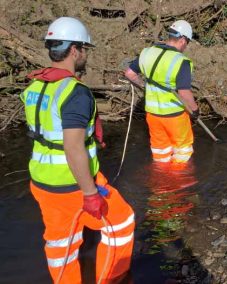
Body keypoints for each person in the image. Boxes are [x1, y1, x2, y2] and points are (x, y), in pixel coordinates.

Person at [21, 17, 135, 284]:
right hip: (72, 185)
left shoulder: (35, 87)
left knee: (61, 245)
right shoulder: (75, 92)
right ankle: (112, 279)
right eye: (85, 49)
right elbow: (73, 147)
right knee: (121, 223)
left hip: (42, 181)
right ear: (74, 50)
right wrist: (90, 193)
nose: (85, 55)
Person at [125, 20, 199, 164]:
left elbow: (129, 73)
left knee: (161, 153)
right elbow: (184, 93)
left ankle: (161, 185)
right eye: (187, 43)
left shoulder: (147, 52)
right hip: (175, 116)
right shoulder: (181, 61)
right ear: (183, 40)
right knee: (183, 152)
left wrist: (145, 86)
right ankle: (176, 183)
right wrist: (195, 110)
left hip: (152, 115)